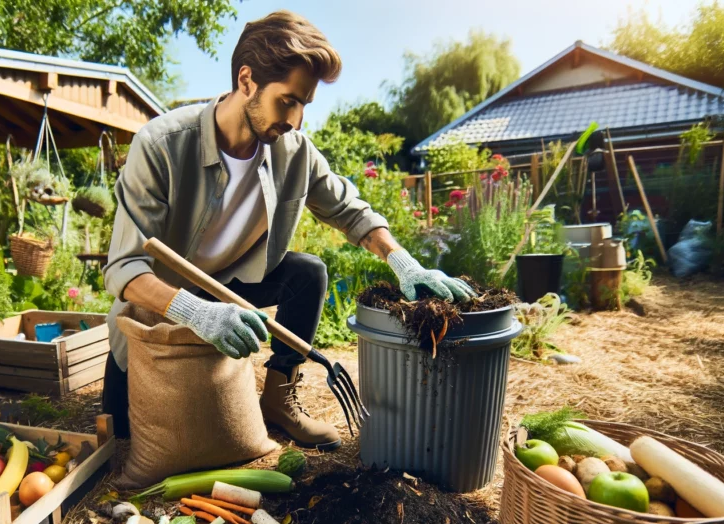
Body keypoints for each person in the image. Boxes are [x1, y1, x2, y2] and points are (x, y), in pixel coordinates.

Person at [102, 10, 472, 450]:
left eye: (304, 105)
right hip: (164, 301)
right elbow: (124, 270)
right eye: (288, 101)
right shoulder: (162, 146)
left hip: (233, 285)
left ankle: (278, 399)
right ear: (246, 81)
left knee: (307, 273)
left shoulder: (294, 151)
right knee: (122, 436)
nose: (296, 121)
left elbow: (352, 212)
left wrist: (404, 263)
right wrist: (197, 313)